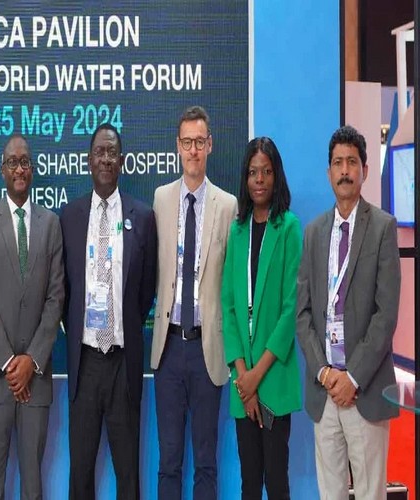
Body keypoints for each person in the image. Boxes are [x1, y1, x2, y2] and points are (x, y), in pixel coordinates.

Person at [296, 125, 400, 500]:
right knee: (331, 494)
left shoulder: (383, 228)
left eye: (352, 162)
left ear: (365, 170)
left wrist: (352, 377)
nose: (344, 171)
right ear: (329, 172)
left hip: (364, 391)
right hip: (324, 392)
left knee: (371, 493)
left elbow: (385, 315)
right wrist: (324, 372)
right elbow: (303, 313)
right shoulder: (314, 233)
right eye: (338, 163)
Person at [60, 123, 157, 499]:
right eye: (99, 152)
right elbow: (63, 289)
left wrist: (125, 323)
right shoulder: (70, 217)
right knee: (80, 473)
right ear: (89, 160)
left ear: (122, 161)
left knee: (127, 473)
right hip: (84, 363)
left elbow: (146, 288)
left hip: (123, 363)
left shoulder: (142, 217)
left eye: (111, 153)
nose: (105, 159)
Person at [0, 135, 65, 499]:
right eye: (13, 162)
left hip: (36, 379)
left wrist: (32, 360)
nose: (20, 169)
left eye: (25, 162)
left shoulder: (50, 223)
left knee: (33, 486)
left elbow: (55, 298)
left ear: (33, 169)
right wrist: (11, 363)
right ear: (2, 170)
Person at [150, 105, 237, 500]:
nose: (193, 150)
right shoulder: (161, 199)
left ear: (210, 145)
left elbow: (231, 284)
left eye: (200, 142)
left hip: (208, 349)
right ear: (177, 146)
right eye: (187, 143)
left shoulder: (228, 205)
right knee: (169, 461)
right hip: (168, 348)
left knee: (206, 462)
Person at [221, 137, 302, 500]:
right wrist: (244, 377)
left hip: (273, 379)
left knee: (277, 483)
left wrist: (256, 376)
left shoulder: (289, 228)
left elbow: (290, 308)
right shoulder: (237, 231)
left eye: (266, 172)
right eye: (253, 172)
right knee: (249, 484)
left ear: (276, 176)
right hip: (244, 384)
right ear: (245, 177)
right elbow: (229, 307)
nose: (259, 179)